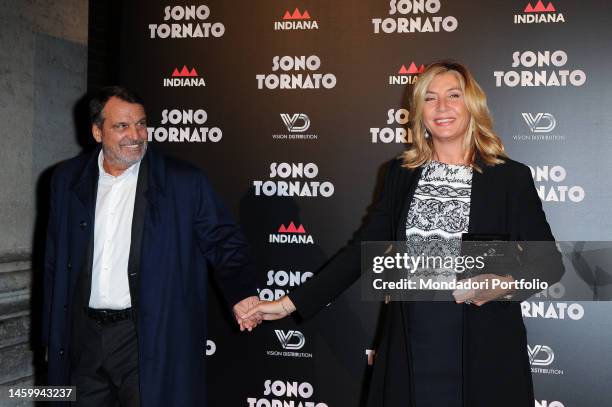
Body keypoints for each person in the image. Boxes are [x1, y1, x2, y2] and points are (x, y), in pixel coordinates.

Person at [244, 61, 564, 407]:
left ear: (471, 105)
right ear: (418, 113)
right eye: (429, 98)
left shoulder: (509, 178)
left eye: (453, 95)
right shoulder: (401, 174)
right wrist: (288, 304)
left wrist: (504, 284)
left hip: (482, 350)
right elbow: (361, 251)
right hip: (411, 344)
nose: (442, 107)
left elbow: (548, 264)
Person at [42, 86, 261, 407]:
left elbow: (224, 241)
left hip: (146, 337)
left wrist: (242, 292)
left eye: (141, 124)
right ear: (96, 131)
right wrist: (52, 334)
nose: (136, 135)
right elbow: (53, 261)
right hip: (83, 338)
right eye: (121, 126)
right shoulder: (65, 179)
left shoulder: (183, 182)